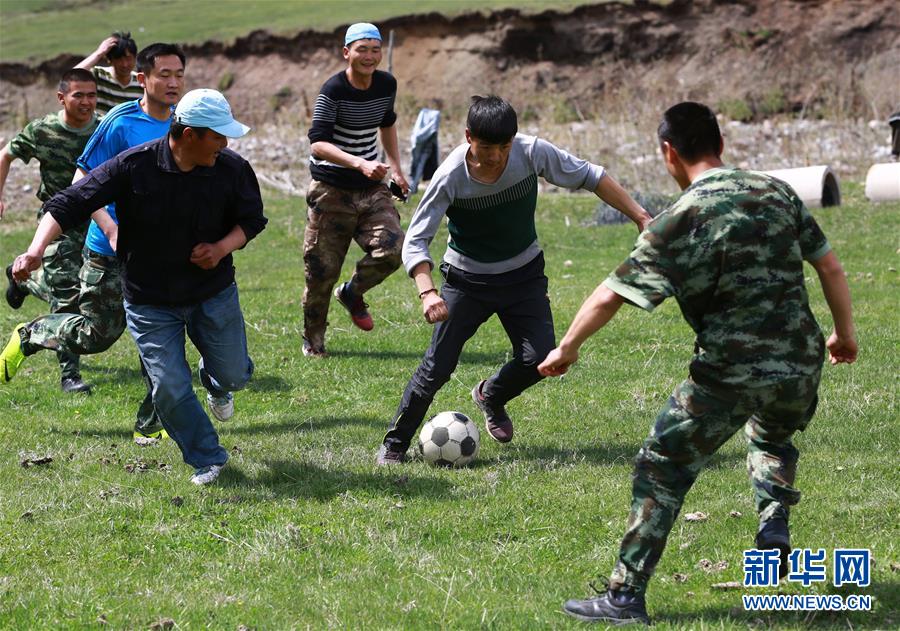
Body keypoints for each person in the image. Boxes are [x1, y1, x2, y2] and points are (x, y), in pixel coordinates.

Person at [538, 102, 858, 625]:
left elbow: (611, 294)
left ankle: (624, 596)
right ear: (721, 145)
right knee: (772, 437)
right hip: (800, 362)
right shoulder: (775, 191)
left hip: (727, 370)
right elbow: (830, 264)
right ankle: (773, 520)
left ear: (668, 153)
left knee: (662, 465)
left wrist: (568, 346)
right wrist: (843, 334)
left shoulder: (679, 219)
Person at [5, 89, 267, 486]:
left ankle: (217, 382)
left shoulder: (230, 167)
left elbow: (252, 219)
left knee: (233, 375)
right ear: (190, 134)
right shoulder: (133, 166)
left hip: (211, 290)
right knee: (169, 386)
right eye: (218, 135)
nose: (225, 143)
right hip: (150, 300)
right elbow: (69, 202)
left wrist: (221, 247)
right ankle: (207, 458)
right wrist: (34, 250)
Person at [376, 95, 652, 465]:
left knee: (541, 357)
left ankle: (491, 395)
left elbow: (591, 175)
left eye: (504, 146)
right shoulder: (450, 176)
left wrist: (640, 217)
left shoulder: (532, 152)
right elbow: (417, 238)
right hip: (466, 282)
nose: (496, 156)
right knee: (437, 367)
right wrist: (427, 291)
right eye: (487, 147)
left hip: (523, 278)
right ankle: (395, 445)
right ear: (468, 137)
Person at [0, 43, 185, 445]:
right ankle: (32, 335)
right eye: (164, 75)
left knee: (160, 339)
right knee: (97, 335)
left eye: (178, 75)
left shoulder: (183, 122)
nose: (173, 83)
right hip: (108, 248)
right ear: (143, 79)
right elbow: (81, 180)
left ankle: (152, 423)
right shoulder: (120, 121)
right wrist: (113, 227)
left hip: (158, 253)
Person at [303, 22, 409, 357]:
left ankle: (353, 292)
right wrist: (358, 163)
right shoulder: (332, 90)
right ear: (346, 52)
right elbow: (318, 143)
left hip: (372, 187)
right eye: (362, 49)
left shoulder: (386, 84)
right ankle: (314, 340)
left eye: (375, 49)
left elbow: (387, 123)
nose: (369, 56)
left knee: (393, 250)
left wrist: (397, 168)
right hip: (330, 189)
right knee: (321, 272)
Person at [0, 68, 99, 393]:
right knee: (68, 296)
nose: (86, 102)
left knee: (90, 291)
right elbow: (6, 155)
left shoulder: (102, 128)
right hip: (57, 220)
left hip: (97, 220)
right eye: (78, 95)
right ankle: (70, 374)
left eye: (91, 95)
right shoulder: (43, 130)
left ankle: (21, 280)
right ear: (62, 98)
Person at [76, 32, 143, 116]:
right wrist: (99, 53)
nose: (124, 64)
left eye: (128, 58)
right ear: (109, 60)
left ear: (135, 58)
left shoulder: (141, 82)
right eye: (119, 59)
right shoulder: (99, 75)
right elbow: (72, 77)